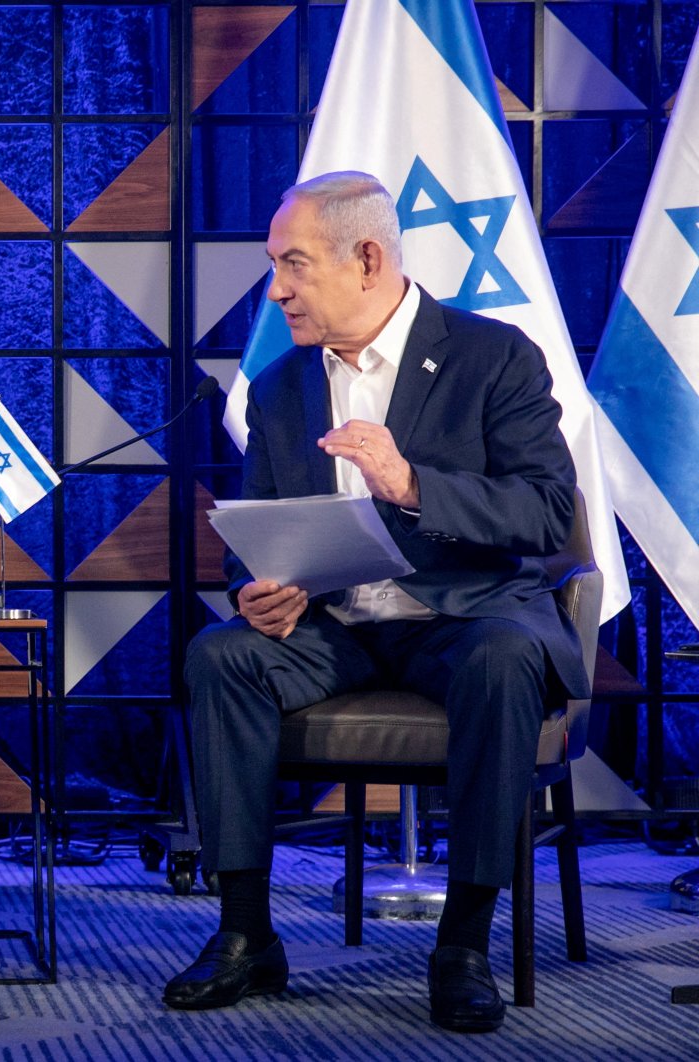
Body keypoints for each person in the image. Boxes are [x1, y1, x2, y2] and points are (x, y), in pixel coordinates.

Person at [164, 171, 588, 1033]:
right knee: (221, 654)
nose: (276, 287)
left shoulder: (493, 355)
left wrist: (410, 482)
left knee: (507, 658)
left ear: (366, 259)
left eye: (292, 264)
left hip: (466, 617)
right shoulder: (280, 386)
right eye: (273, 265)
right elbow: (261, 533)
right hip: (336, 628)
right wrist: (258, 591)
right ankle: (245, 933)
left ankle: (462, 945)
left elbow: (546, 513)